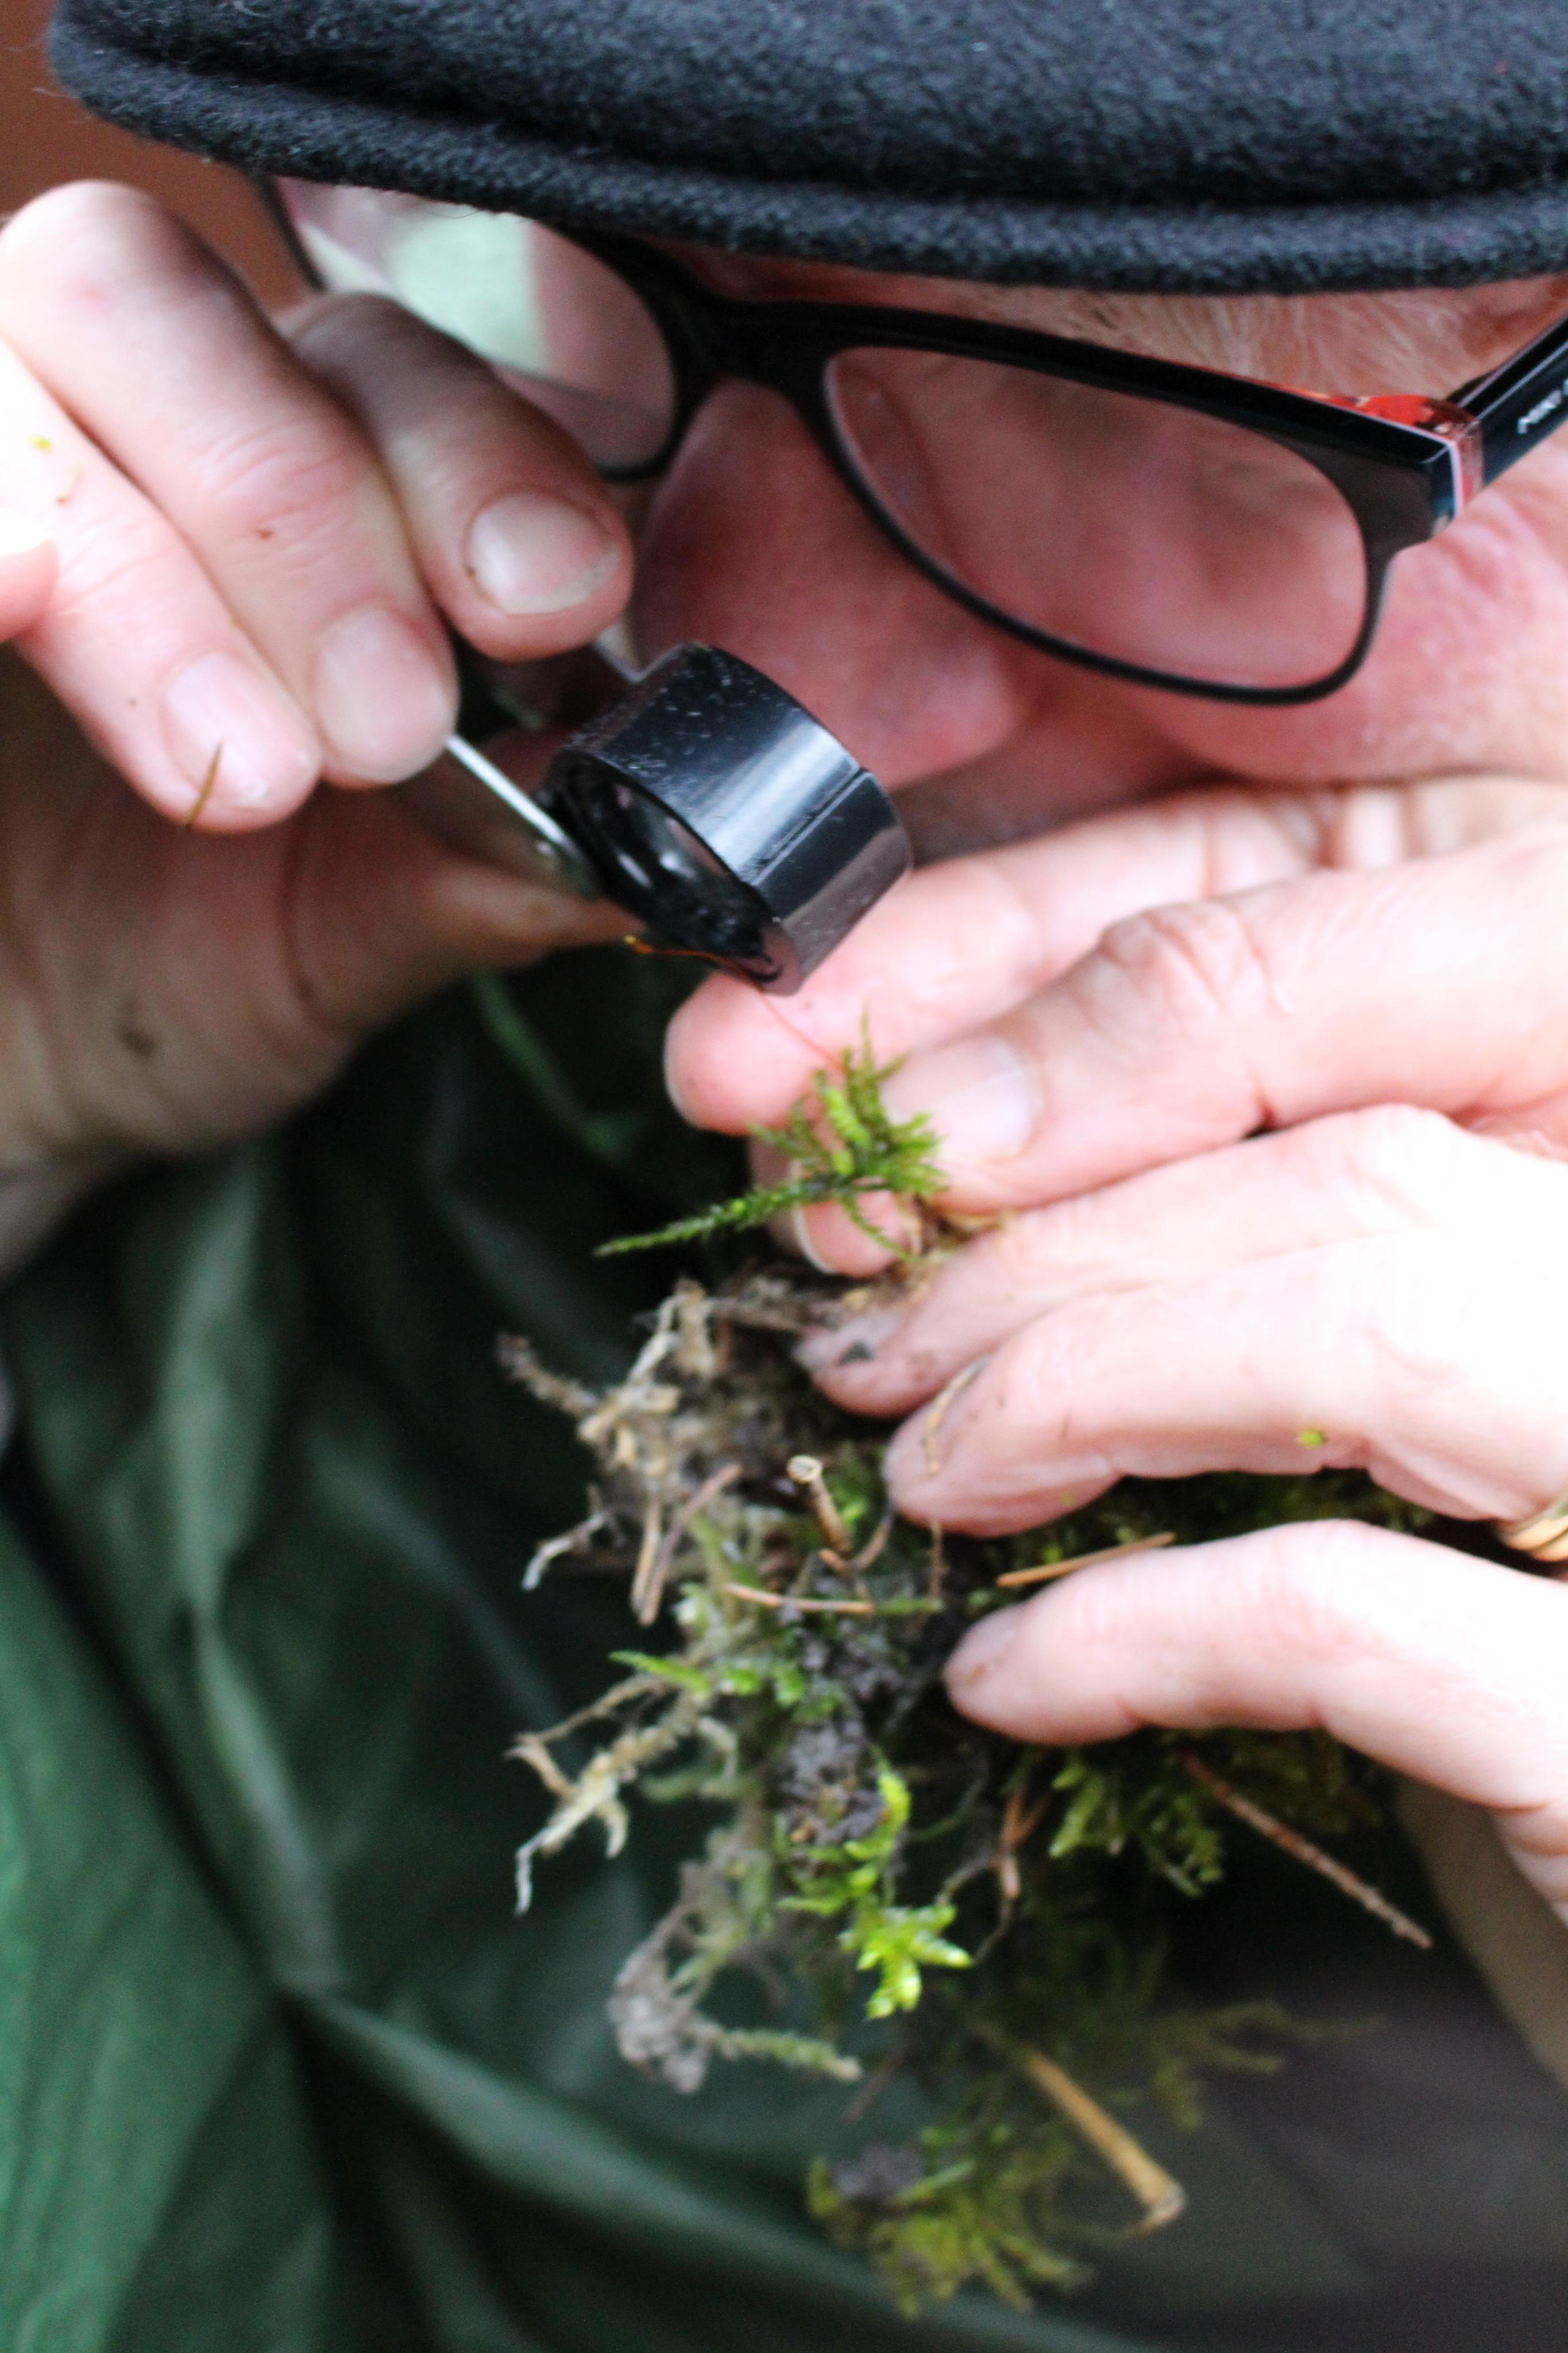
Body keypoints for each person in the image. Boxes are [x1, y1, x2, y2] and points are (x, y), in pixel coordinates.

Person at [4, 0, 1568, 2343]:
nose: (755, 650)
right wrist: (33, 1052)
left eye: (1150, 405)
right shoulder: (359, 1006)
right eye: (591, 252)